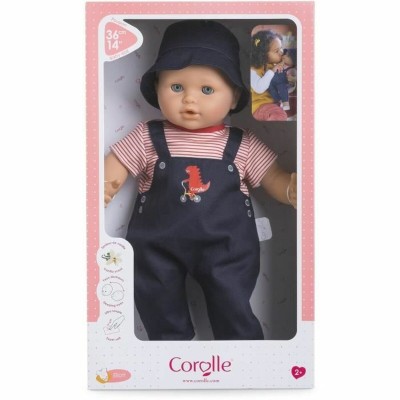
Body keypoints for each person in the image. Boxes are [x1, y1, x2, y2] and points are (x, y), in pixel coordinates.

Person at [104, 20, 297, 341]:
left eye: (207, 90)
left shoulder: (242, 143)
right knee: (156, 299)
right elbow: (115, 166)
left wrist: (291, 190)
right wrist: (102, 187)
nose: (189, 100)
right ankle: (171, 352)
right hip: (157, 246)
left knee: (232, 303)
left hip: (226, 248)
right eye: (177, 87)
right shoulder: (147, 136)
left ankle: (244, 354)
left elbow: (272, 176)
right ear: (157, 87)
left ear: (234, 97)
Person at [250, 30, 288, 121]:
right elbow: (259, 88)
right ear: (263, 55)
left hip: (270, 104)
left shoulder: (270, 65)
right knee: (280, 115)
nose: (281, 52)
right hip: (259, 106)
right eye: (277, 51)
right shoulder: (252, 70)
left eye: (281, 48)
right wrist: (272, 71)